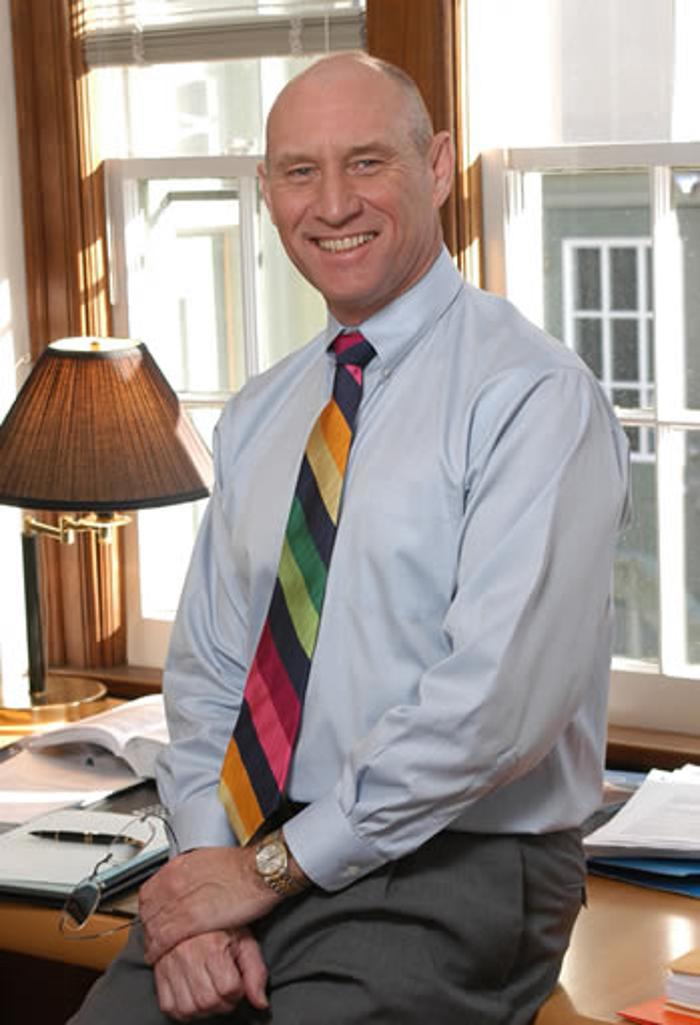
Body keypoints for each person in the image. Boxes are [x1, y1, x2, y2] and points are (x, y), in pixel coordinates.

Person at [70, 51, 630, 1025]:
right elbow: (209, 675)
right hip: (253, 847)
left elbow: (491, 710)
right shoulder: (262, 411)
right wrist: (206, 871)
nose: (333, 204)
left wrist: (267, 870)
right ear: (267, 191)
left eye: (366, 162)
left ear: (437, 165)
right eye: (301, 171)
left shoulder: (533, 397)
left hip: (455, 863)